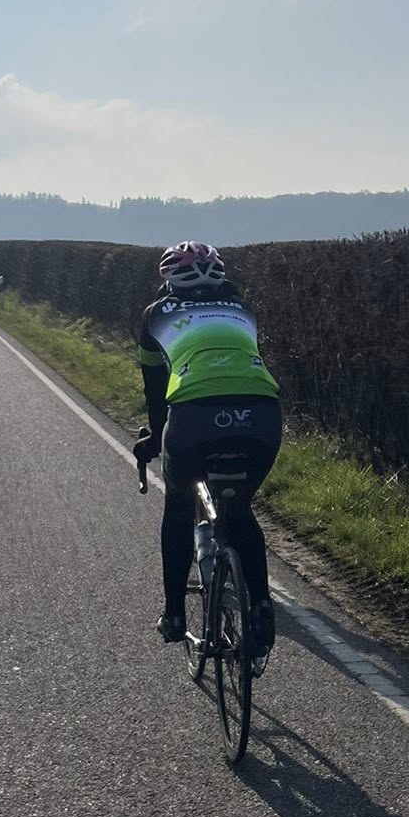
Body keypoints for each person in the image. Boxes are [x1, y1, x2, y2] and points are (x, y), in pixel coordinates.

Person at [133, 241, 282, 666]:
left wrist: (154, 438)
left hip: (194, 415)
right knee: (240, 510)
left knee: (180, 507)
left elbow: (155, 391)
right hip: (262, 411)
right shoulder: (243, 309)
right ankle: (262, 606)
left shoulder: (155, 315)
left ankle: (174, 615)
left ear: (167, 280)